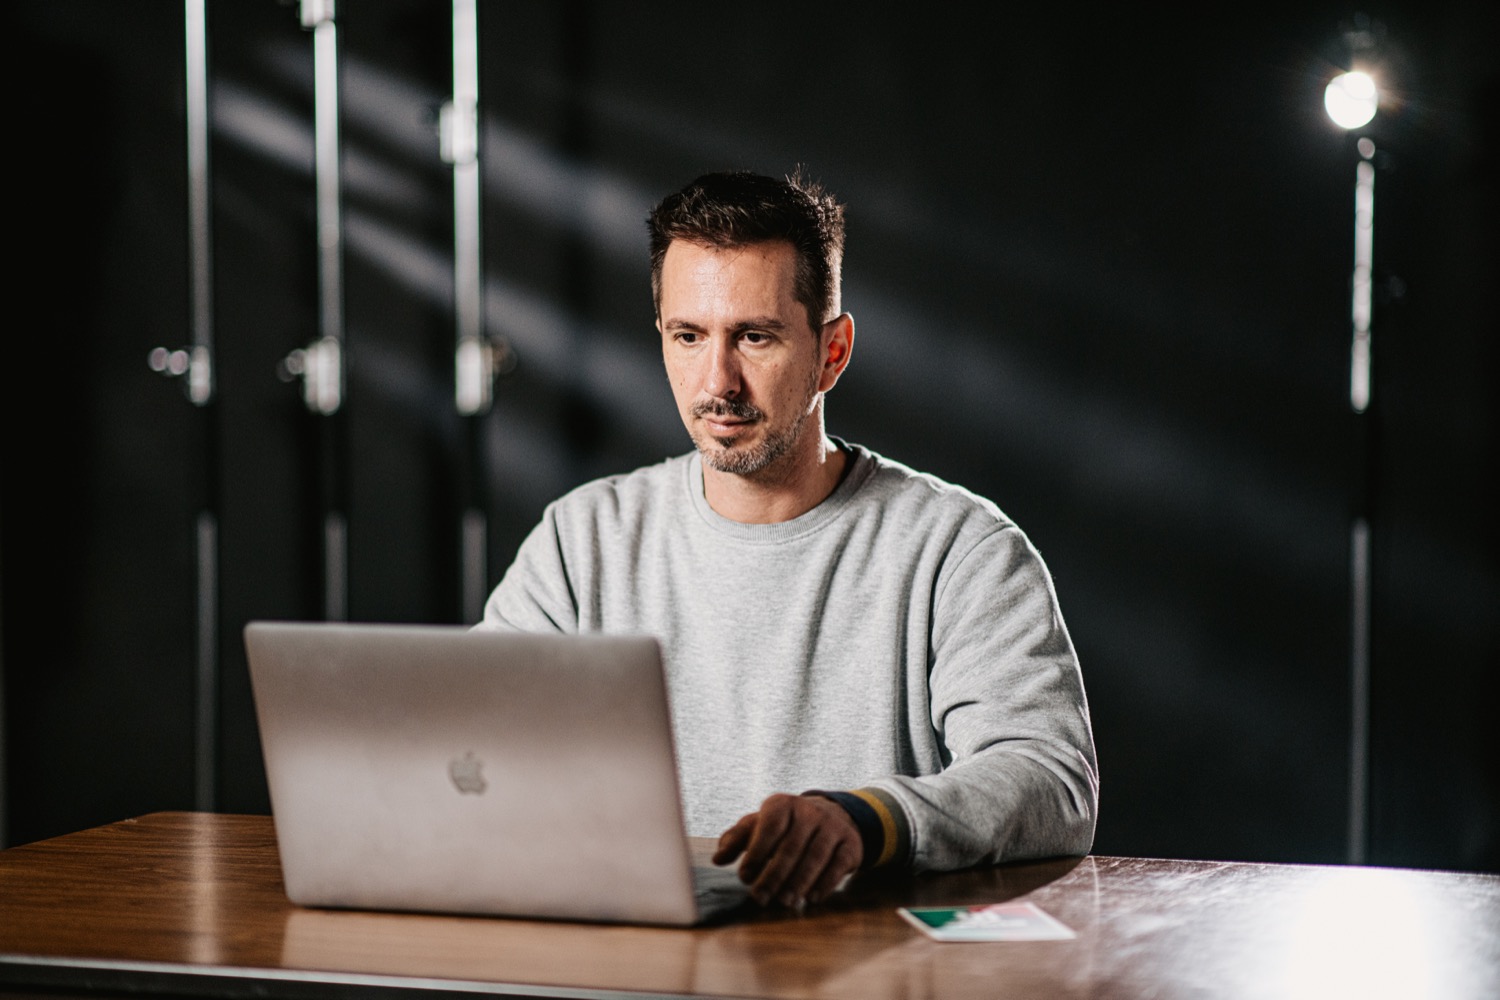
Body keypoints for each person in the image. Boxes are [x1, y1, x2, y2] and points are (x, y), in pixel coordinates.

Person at [480, 169, 1098, 909]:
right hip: (637, 966)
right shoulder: (581, 544)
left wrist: (867, 821)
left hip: (864, 972)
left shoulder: (961, 550)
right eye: (688, 335)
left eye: (755, 337)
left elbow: (1049, 779)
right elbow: (474, 750)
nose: (719, 382)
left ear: (831, 352)